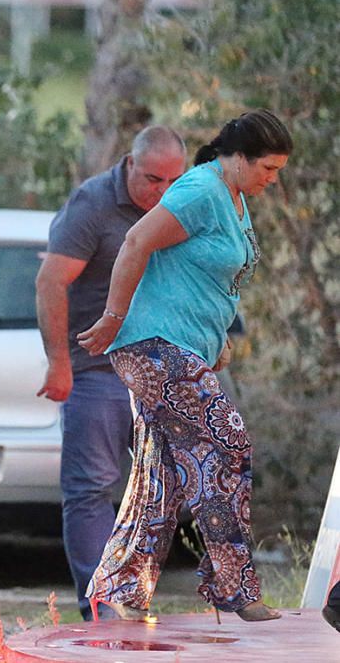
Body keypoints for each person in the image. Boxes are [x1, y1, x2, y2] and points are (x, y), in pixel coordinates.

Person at [77, 109, 293, 622]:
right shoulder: (200, 190)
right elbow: (136, 242)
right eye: (268, 167)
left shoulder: (234, 197)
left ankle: (123, 589)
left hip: (182, 346)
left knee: (164, 471)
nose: (273, 178)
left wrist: (218, 338)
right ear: (238, 158)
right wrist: (113, 316)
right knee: (227, 440)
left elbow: (213, 278)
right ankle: (234, 587)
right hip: (151, 345)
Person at [36, 126, 186, 621]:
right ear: (129, 163)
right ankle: (100, 608)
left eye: (173, 180)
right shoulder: (92, 205)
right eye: (152, 180)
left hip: (161, 365)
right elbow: (51, 281)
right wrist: (59, 363)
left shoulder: (184, 203)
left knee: (167, 484)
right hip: (99, 368)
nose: (162, 191)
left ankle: (135, 595)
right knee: (93, 487)